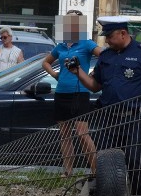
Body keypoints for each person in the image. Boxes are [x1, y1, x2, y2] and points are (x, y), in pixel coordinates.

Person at [68, 16, 141, 196]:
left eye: (110, 36)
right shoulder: (106, 56)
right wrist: (78, 72)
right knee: (105, 163)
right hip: (109, 118)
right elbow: (95, 85)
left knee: (135, 161)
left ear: (123, 33)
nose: (107, 41)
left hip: (135, 118)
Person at [42, 10, 102, 177]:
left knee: (82, 134)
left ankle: (97, 171)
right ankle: (67, 171)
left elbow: (104, 56)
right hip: (62, 92)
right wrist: (55, 75)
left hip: (80, 91)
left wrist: (93, 74)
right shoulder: (60, 46)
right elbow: (45, 62)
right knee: (64, 134)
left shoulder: (87, 43)